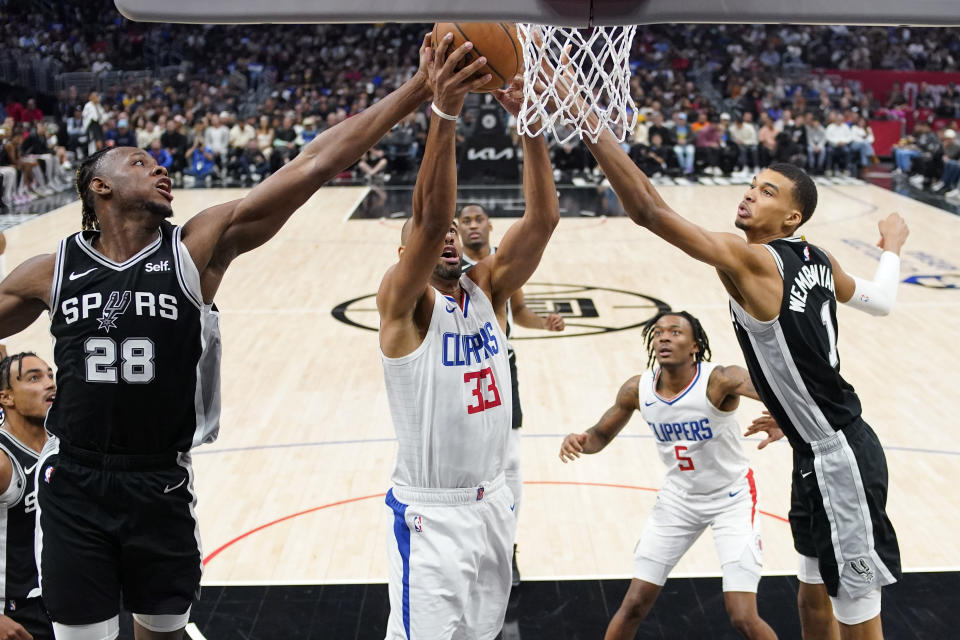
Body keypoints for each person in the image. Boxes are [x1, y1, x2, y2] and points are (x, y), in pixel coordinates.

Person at [0, 33, 439, 640]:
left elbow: (312, 164)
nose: (160, 167)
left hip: (159, 479)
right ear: (98, 188)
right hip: (74, 482)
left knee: (161, 632)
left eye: (158, 161)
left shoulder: (194, 248)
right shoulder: (53, 269)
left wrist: (419, 88)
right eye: (138, 162)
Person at [575, 82, 908, 637]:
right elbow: (881, 301)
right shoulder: (817, 257)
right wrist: (892, 243)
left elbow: (648, 209)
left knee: (856, 615)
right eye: (753, 185)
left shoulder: (752, 260)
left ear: (790, 219)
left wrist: (587, 120)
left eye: (768, 192)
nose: (751, 194)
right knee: (810, 599)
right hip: (813, 449)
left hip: (840, 456)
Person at [377, 35, 558, 639]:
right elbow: (428, 221)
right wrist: (444, 113)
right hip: (430, 513)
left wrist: (531, 126)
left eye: (459, 229)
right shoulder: (405, 303)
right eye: (436, 234)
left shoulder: (488, 290)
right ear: (407, 254)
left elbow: (543, 221)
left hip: (492, 505)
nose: (450, 234)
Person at [559, 311, 778, 640]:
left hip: (731, 500)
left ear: (694, 345)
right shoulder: (638, 388)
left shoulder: (719, 379)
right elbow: (600, 435)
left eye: (675, 332)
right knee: (633, 604)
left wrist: (781, 420)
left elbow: (781, 394)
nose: (664, 337)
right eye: (659, 332)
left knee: (743, 616)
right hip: (678, 501)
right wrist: (581, 440)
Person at [457, 203, 565, 586]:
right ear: (456, 228)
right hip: (460, 368)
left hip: (502, 367)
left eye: (478, 219)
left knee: (513, 460)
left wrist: (543, 323)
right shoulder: (449, 265)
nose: (473, 225)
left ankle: (507, 545)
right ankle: (467, 544)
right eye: (465, 220)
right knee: (466, 460)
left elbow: (518, 312)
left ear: (490, 226)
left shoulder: (506, 263)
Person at [0, 352, 56, 640]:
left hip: (64, 599)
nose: (49, 384)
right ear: (6, 398)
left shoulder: (62, 443)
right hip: (16, 614)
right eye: (34, 378)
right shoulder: (3, 459)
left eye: (50, 375)